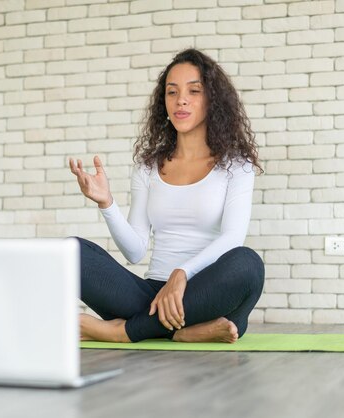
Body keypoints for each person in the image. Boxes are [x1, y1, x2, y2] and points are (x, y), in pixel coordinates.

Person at [68, 48, 264, 344]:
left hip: (204, 291)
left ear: (213, 100)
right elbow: (135, 252)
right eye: (172, 92)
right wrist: (107, 203)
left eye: (194, 91)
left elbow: (233, 238)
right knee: (71, 251)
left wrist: (182, 273)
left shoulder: (237, 166)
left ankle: (125, 331)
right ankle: (188, 330)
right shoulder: (147, 168)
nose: (181, 100)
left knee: (248, 264)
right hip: (150, 297)